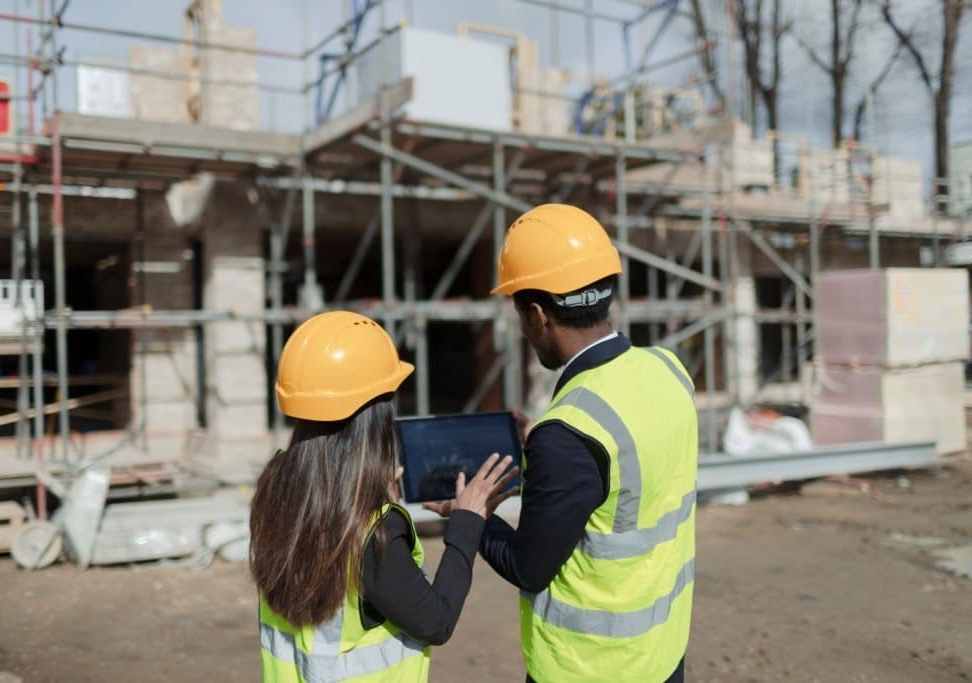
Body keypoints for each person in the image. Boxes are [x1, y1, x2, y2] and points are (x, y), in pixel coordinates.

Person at [482, 203, 698, 682]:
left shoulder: (567, 434)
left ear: (537, 315)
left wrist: (470, 516)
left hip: (590, 668)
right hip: (662, 653)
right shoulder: (669, 371)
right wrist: (545, 448)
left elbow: (527, 566)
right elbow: (620, 480)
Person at [250, 311, 517, 682]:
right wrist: (468, 521)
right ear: (376, 412)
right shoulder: (370, 532)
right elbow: (436, 622)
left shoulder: (275, 488)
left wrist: (374, 496)